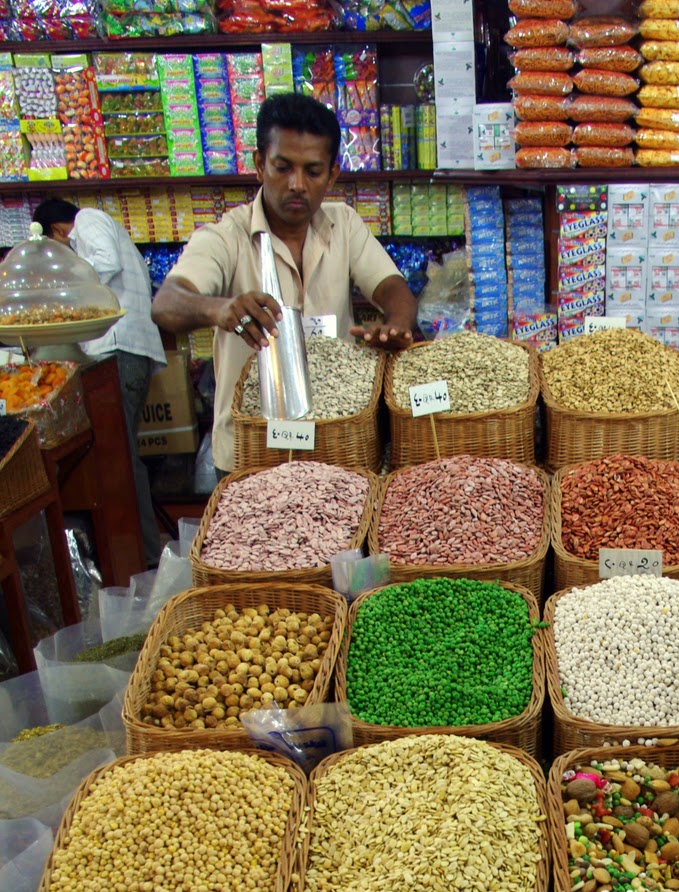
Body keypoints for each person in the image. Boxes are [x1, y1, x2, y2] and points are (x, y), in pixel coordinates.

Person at [152, 93, 418, 477]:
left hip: (333, 445)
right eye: (282, 167)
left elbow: (394, 290)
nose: (297, 184)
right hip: (254, 452)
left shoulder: (343, 224)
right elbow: (166, 303)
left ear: (333, 174)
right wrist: (220, 309)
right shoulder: (227, 236)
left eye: (312, 171)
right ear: (260, 164)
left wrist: (395, 326)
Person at [33, 197, 167, 564]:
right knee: (121, 455)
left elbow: (104, 264)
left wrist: (60, 283)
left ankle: (145, 555)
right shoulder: (101, 228)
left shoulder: (88, 220)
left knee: (121, 458)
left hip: (118, 351)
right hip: (122, 352)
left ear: (57, 231)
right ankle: (137, 552)